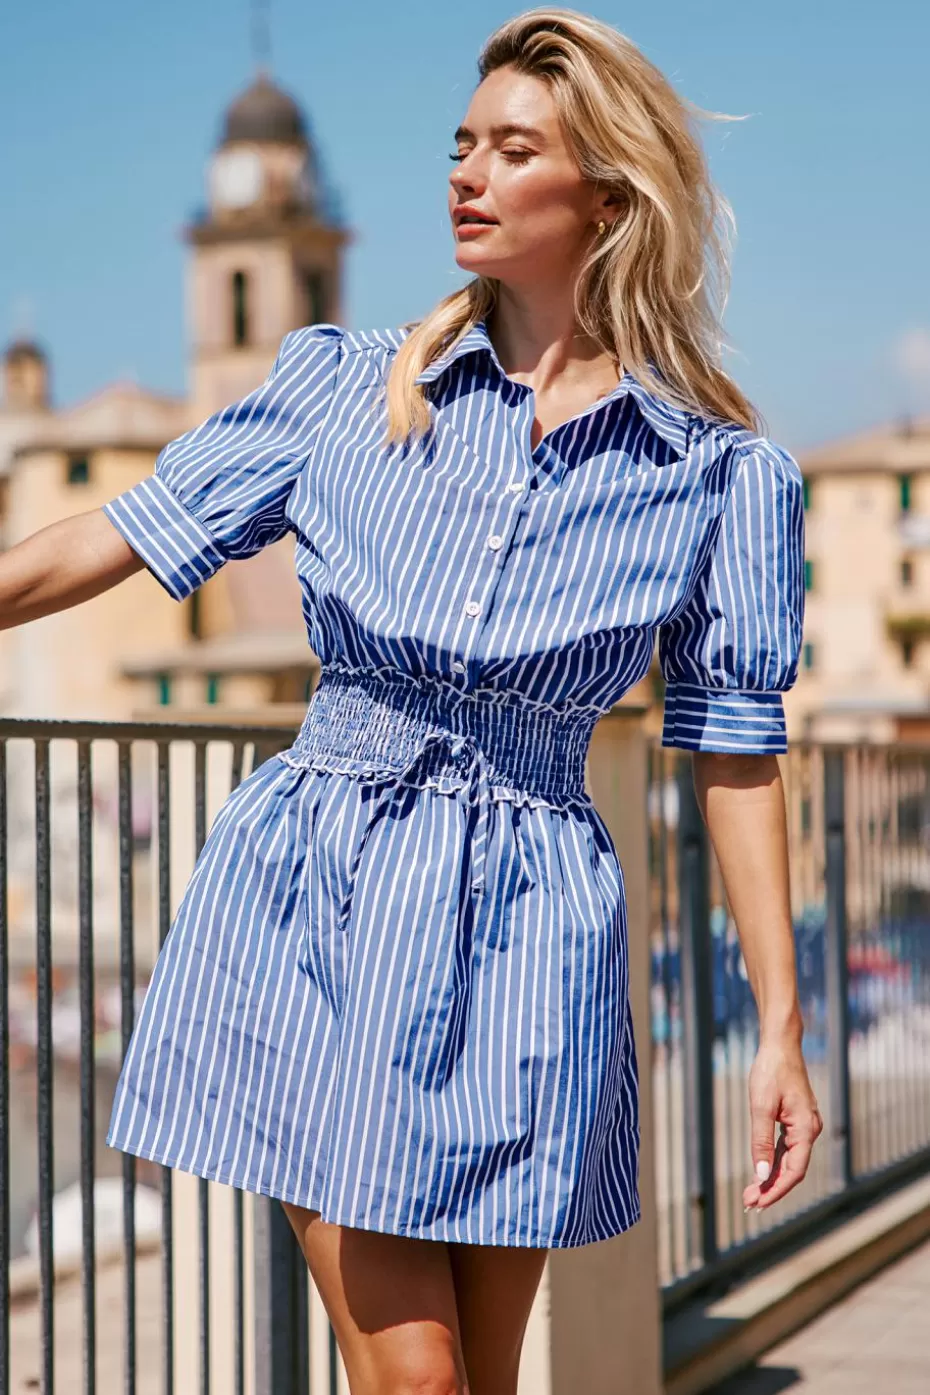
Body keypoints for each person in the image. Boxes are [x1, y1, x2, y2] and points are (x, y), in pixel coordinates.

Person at [1, 8, 823, 1393]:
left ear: (607, 194)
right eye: (460, 145)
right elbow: (117, 533)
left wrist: (782, 1030)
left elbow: (733, 751)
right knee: (420, 1377)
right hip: (324, 893)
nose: (465, 174)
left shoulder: (718, 474)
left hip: (529, 937)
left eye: (512, 149)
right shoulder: (338, 388)